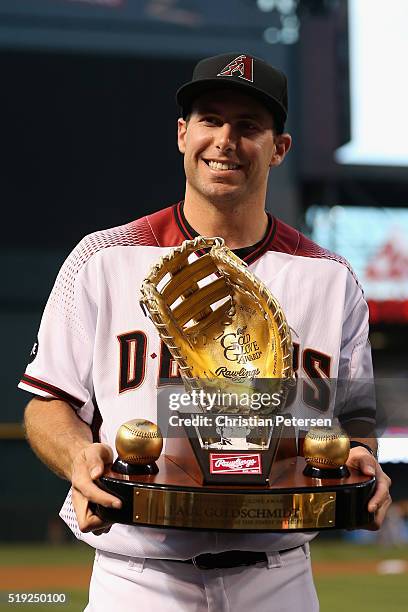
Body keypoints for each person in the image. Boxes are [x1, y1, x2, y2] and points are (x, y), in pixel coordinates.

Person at [20, 53, 391, 612]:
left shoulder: (330, 278)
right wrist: (77, 455)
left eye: (248, 127)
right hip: (138, 574)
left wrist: (362, 455)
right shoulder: (103, 259)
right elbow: (47, 404)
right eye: (210, 120)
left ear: (279, 148)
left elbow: (355, 415)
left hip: (278, 576)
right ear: (181, 134)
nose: (225, 140)